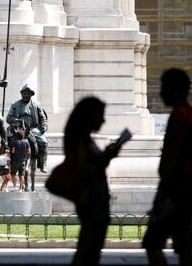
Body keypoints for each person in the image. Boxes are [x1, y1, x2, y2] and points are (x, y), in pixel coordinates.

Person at [142, 68, 192, 266]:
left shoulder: (178, 116)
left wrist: (161, 196)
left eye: (164, 88)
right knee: (184, 246)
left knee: (152, 242)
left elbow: (171, 158)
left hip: (176, 188)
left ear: (175, 90)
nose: (160, 93)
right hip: (187, 186)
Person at [63, 97, 120, 266]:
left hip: (93, 202)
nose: (103, 120)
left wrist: (105, 157)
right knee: (88, 253)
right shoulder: (81, 142)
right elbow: (85, 172)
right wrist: (107, 157)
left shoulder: (82, 140)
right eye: (100, 115)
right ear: (89, 117)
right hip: (92, 202)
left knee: (88, 252)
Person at [6, 83, 48, 175]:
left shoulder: (37, 105)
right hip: (18, 128)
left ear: (31, 95)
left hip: (32, 129)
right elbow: (8, 118)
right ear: (21, 94)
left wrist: (44, 126)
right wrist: (17, 120)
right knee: (6, 140)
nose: (26, 95)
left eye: (28, 94)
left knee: (43, 142)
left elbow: (42, 118)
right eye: (24, 93)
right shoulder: (15, 105)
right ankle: (6, 161)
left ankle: (42, 163)